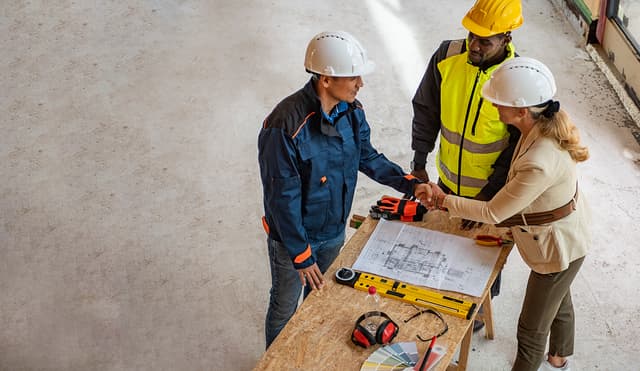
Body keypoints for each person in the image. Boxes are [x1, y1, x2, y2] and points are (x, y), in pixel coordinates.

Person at [258, 31, 431, 349]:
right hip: (294, 242)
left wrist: (410, 184)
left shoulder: (351, 111)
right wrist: (301, 254)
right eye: (353, 76)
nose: (360, 83)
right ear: (325, 78)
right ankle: (274, 362)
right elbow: (282, 200)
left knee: (320, 301)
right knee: (285, 308)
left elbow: (367, 157)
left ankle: (307, 354)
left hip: (334, 230)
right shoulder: (284, 126)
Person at [421, 57, 591, 371]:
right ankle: (560, 356)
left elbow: (494, 212)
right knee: (558, 293)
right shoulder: (542, 125)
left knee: (530, 328)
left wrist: (444, 200)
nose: (495, 108)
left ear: (521, 110)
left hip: (557, 245)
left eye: (499, 104)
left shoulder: (539, 159)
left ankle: (544, 359)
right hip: (567, 236)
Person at [410, 0, 525, 320]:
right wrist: (419, 161)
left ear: (506, 38)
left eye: (484, 41)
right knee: (447, 248)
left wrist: (487, 200)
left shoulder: (517, 78)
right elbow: (426, 109)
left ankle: (477, 312)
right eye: (471, 35)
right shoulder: (448, 56)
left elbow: (517, 145)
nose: (473, 45)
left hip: (492, 193)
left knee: (483, 259)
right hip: (447, 182)